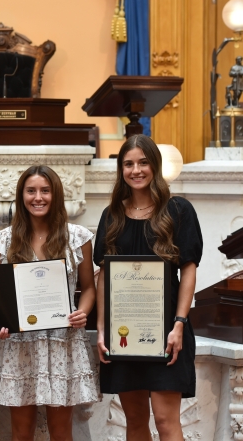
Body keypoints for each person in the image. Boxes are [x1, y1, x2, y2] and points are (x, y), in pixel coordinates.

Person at [94, 135, 203, 441]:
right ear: (121, 170)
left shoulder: (178, 210)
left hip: (167, 330)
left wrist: (180, 323)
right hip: (125, 333)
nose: (136, 170)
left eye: (143, 162)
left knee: (167, 422)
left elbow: (189, 268)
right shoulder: (112, 216)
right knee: (136, 421)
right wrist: (102, 329)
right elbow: (104, 276)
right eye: (128, 164)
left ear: (154, 165)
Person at [0, 165, 100, 441]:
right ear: (21, 196)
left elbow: (88, 288)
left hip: (63, 341)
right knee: (21, 433)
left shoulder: (78, 237)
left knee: (61, 433)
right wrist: (1, 323)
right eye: (31, 191)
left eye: (45, 191)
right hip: (20, 344)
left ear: (56, 195)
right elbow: (2, 299)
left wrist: (82, 312)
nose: (38, 197)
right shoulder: (3, 241)